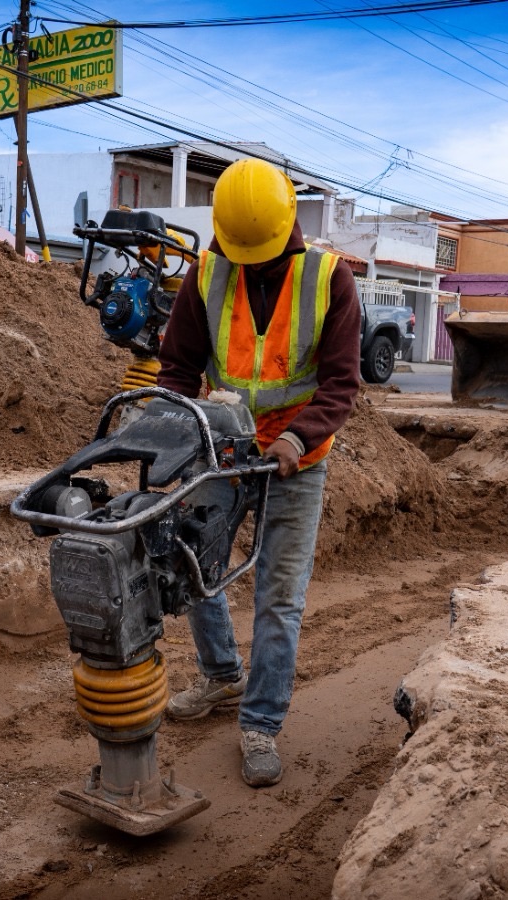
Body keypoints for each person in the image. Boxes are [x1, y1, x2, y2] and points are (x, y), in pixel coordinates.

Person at [156, 157, 361, 788]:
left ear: (288, 228)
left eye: (258, 255)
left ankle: (262, 722)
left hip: (298, 460)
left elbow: (341, 383)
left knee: (278, 598)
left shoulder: (331, 279)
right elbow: (178, 368)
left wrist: (299, 436)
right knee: (197, 570)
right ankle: (222, 677)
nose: (247, 265)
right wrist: (181, 427)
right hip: (224, 452)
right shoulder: (207, 274)